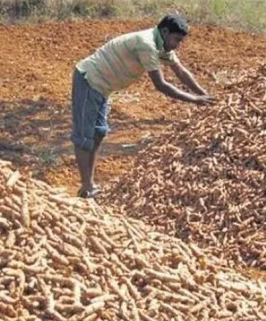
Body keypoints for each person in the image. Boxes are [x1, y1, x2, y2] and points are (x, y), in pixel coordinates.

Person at [70, 14, 215, 198]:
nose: (178, 45)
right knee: (84, 136)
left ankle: (88, 186)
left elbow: (180, 72)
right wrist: (194, 99)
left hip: (104, 87)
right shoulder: (146, 44)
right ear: (165, 32)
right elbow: (160, 84)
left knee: (99, 132)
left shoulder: (162, 45)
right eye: (177, 40)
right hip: (90, 80)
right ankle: (87, 187)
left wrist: (204, 95)